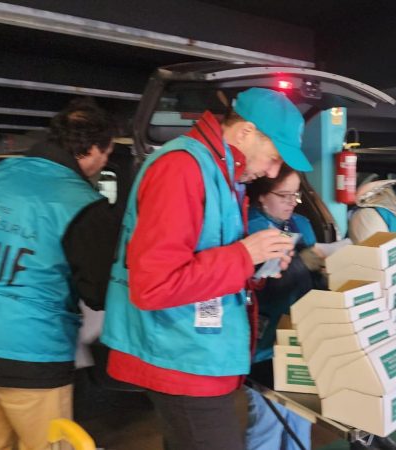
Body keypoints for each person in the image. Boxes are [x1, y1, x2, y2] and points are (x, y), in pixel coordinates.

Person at [101, 87, 312, 450]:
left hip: (194, 353)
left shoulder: (222, 172)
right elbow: (154, 286)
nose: (271, 171)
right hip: (180, 357)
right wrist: (245, 256)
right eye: (274, 158)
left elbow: (205, 259)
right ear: (246, 132)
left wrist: (258, 265)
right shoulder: (182, 168)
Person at [0, 98, 119, 450]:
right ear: (92, 149)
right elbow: (99, 294)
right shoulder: (80, 202)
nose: (104, 163)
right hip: (30, 354)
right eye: (107, 154)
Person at [244, 164, 327, 450]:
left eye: (296, 195)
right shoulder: (252, 228)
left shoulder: (301, 224)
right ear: (261, 196)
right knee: (267, 421)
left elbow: (311, 277)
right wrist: (305, 261)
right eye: (284, 195)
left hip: (303, 337)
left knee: (302, 417)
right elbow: (265, 283)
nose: (292, 202)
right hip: (267, 341)